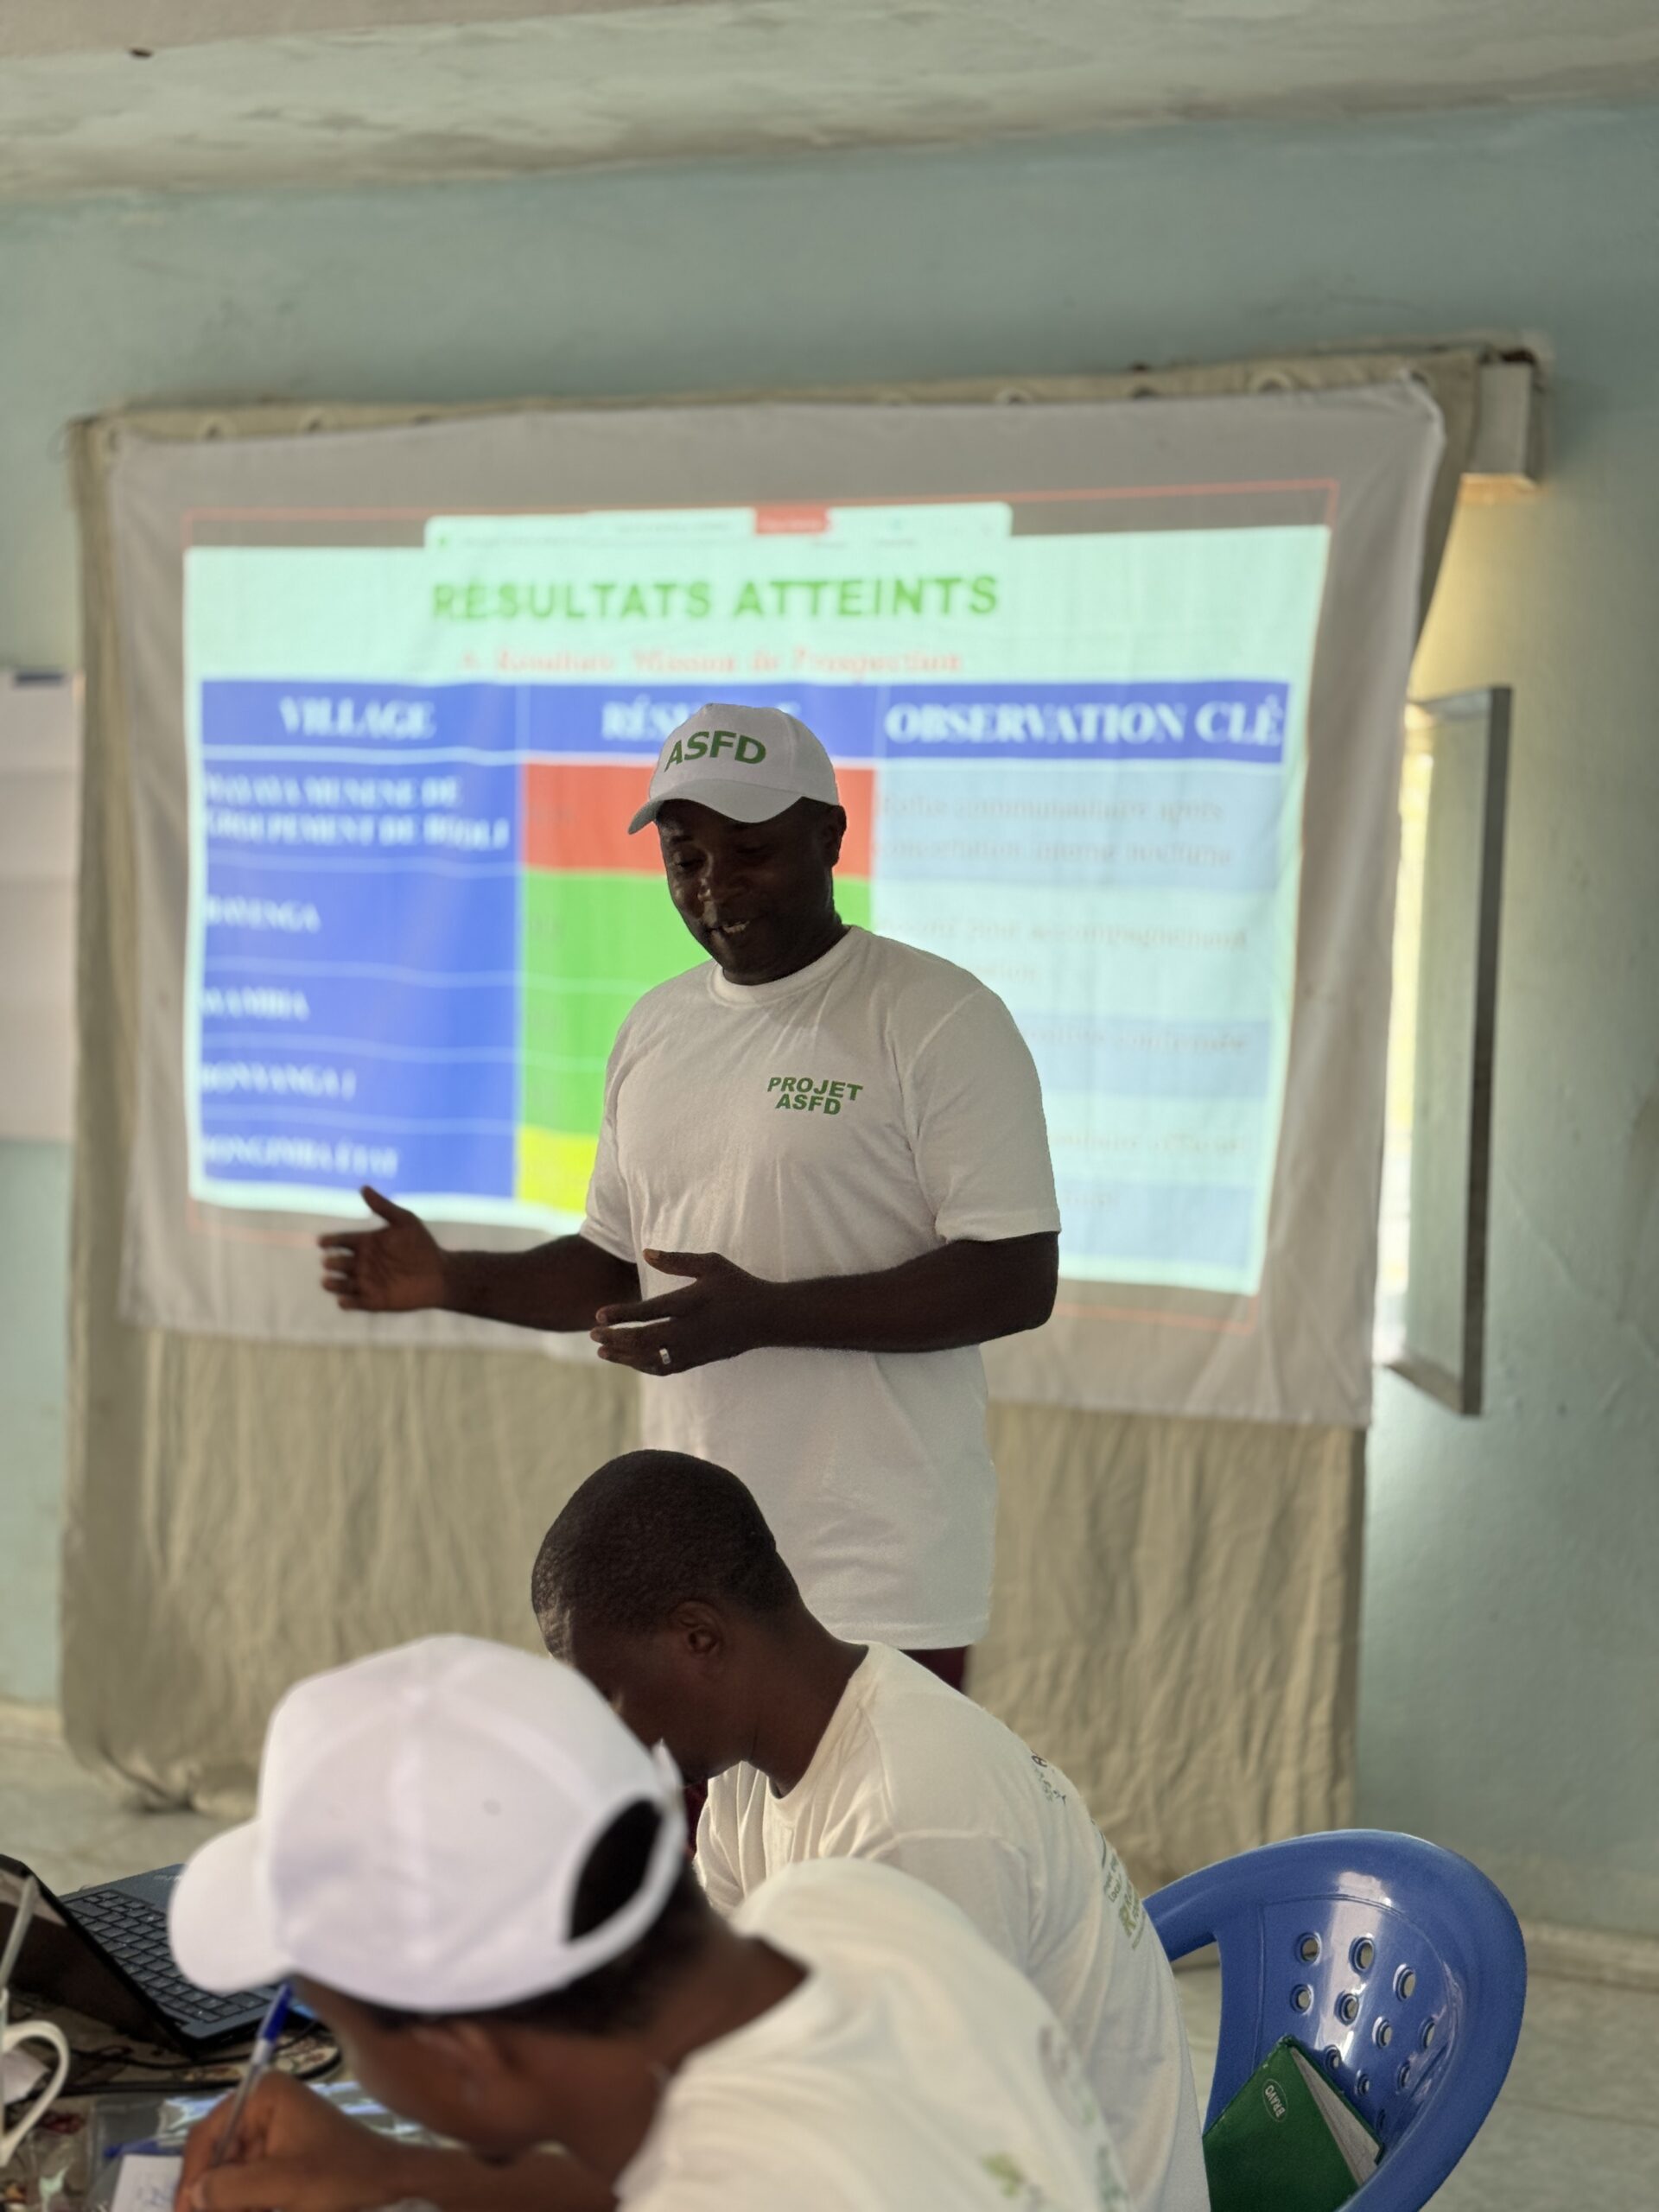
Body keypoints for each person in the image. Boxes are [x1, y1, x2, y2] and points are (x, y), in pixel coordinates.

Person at [319, 702, 1059, 1680]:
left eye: (751, 852)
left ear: (829, 837)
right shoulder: (657, 1027)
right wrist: (451, 1279)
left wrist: (766, 1315)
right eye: (687, 856)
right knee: (677, 1794)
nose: (716, 887)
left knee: (870, 1795)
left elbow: (1014, 1278)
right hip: (692, 1574)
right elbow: (615, 1265)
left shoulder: (937, 1017)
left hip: (877, 1569)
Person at [169, 1636, 1131, 2212]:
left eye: (344, 2035)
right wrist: (391, 2170)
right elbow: (689, 2159)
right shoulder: (853, 1906)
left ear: (465, 2053)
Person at [532, 1452, 1209, 2212]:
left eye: (609, 1694)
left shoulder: (910, 1815)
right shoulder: (747, 1773)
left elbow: (931, 2160)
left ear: (699, 1637)